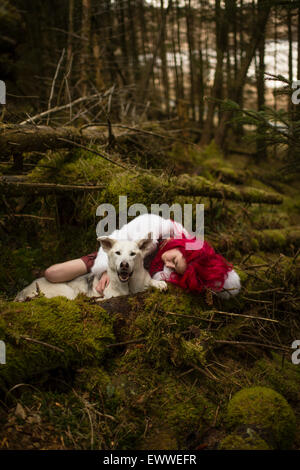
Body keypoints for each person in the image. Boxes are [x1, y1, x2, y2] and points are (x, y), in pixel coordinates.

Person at [44, 213, 240, 298]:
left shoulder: (173, 264)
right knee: (52, 274)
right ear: (184, 248)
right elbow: (122, 244)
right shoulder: (156, 226)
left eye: (175, 269)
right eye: (175, 260)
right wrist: (107, 270)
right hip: (115, 253)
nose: (169, 265)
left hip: (129, 271)